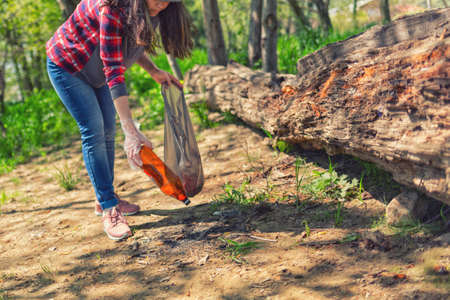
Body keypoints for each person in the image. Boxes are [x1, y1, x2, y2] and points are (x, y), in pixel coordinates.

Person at [46, 0, 193, 240]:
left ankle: (104, 197)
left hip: (96, 70)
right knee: (94, 131)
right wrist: (131, 131)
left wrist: (154, 71)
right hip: (68, 65)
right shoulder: (112, 7)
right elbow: (113, 67)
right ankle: (109, 209)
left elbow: (129, 46)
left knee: (108, 132)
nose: (164, 3)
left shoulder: (153, 8)